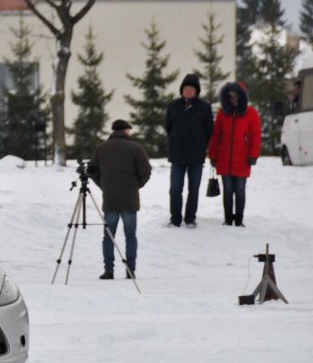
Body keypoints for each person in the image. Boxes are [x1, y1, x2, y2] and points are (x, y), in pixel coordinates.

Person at [88, 119, 152, 279]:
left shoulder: (101, 148)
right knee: (131, 236)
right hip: (130, 200)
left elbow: (92, 170)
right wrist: (136, 185)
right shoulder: (135, 148)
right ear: (126, 131)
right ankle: (130, 270)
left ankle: (108, 270)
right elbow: (146, 171)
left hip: (110, 199)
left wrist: (103, 185)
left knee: (108, 236)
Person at [208, 82, 261, 227]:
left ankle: (239, 220)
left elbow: (256, 136)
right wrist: (213, 155)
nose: (233, 99)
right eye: (230, 97)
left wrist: (253, 155)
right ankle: (228, 219)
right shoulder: (222, 113)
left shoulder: (251, 113)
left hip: (242, 160)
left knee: (240, 191)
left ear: (242, 96)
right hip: (224, 159)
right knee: (228, 190)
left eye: (236, 96)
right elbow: (216, 135)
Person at [164, 73, 214, 228]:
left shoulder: (204, 107)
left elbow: (209, 130)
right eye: (186, 88)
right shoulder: (173, 106)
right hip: (177, 155)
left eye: (191, 89)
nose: (188, 91)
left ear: (196, 91)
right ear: (181, 90)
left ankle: (190, 218)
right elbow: (168, 127)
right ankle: (175, 218)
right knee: (175, 189)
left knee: (193, 189)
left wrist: (200, 144)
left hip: (196, 156)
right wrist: (175, 140)